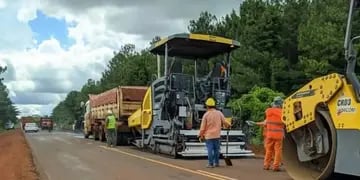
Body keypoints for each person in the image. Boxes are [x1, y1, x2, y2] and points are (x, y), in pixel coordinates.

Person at [198, 97, 231, 168]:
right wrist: (229, 125)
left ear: (207, 106)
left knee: (210, 149)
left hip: (209, 136)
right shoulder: (219, 113)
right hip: (217, 135)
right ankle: (217, 163)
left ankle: (210, 163)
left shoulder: (206, 115)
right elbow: (225, 121)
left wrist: (200, 135)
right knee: (216, 150)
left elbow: (202, 127)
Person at [263, 96, 284, 171]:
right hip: (278, 135)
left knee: (268, 150)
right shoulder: (282, 112)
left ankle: (266, 165)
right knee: (277, 151)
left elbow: (265, 123)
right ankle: (276, 166)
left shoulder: (268, 111)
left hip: (269, 135)